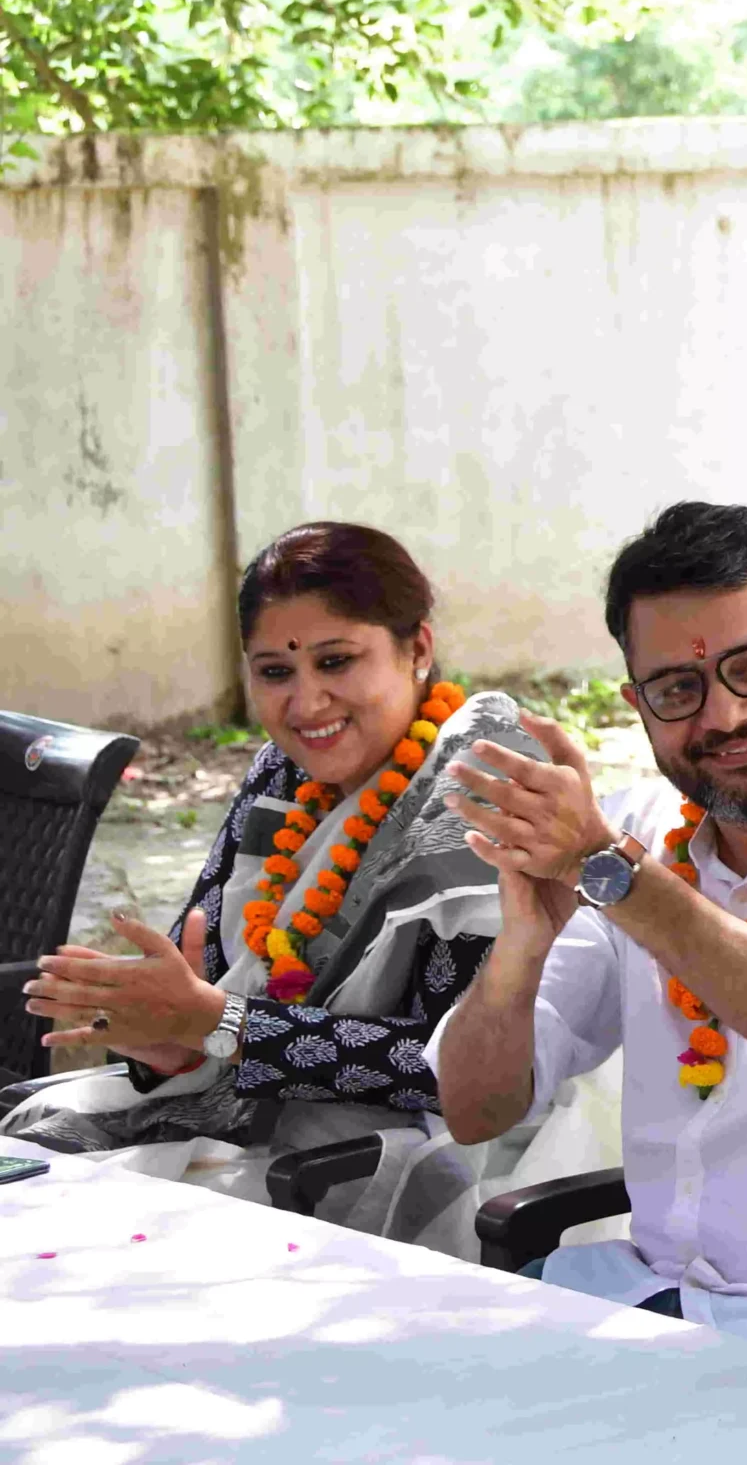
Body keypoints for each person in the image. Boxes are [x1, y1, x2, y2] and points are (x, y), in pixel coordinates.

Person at [9, 522, 555, 1250]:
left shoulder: (480, 787)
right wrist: (157, 1034)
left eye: (337, 660)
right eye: (275, 672)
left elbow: (440, 1068)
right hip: (233, 1113)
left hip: (395, 1158)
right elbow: (192, 976)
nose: (307, 703)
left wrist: (222, 1024)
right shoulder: (283, 771)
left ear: (417, 648)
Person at [428, 502, 747, 1349]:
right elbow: (474, 1109)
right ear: (637, 704)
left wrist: (613, 873)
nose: (724, 717)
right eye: (680, 688)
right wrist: (520, 951)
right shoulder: (637, 832)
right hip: (636, 1301)